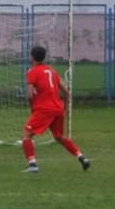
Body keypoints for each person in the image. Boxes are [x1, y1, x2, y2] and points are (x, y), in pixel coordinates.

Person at [21, 45, 90, 174]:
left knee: (26, 135)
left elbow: (30, 94)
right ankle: (82, 157)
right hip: (58, 109)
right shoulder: (51, 70)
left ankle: (32, 164)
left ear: (32, 57)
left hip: (44, 109)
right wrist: (66, 107)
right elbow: (66, 91)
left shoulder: (32, 72)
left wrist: (32, 107)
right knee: (59, 137)